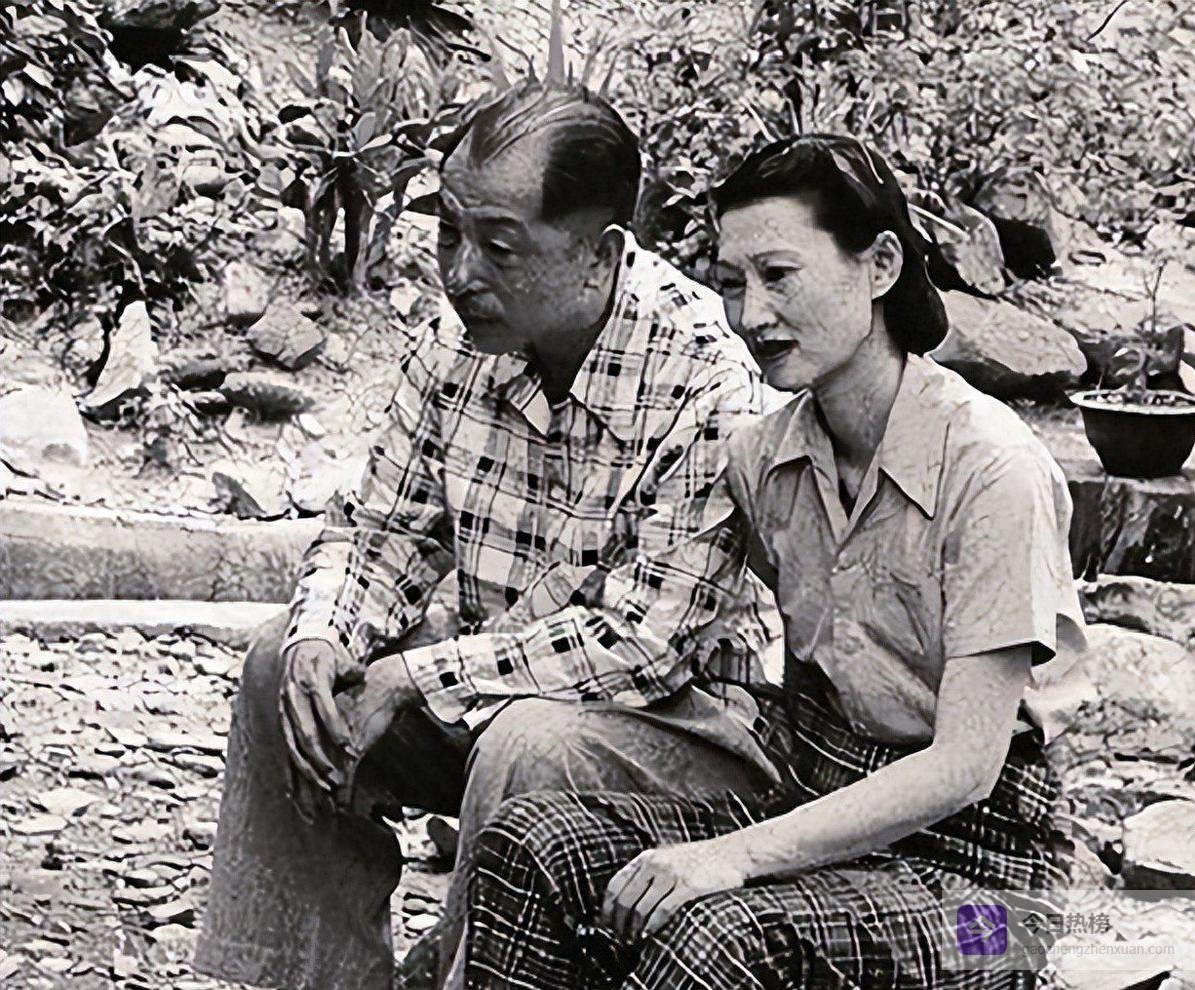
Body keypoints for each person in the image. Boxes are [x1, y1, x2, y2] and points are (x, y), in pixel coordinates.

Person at [193, 80, 782, 990]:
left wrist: (414, 676)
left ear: (600, 255)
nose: (461, 272)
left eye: (499, 247)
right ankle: (308, 978)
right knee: (287, 666)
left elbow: (645, 647)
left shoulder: (708, 383)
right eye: (447, 233)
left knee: (530, 742)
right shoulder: (454, 342)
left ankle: (470, 975)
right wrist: (326, 637)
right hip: (493, 692)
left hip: (681, 737)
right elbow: (379, 529)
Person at [463, 134, 1090, 989]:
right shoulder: (764, 459)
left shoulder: (992, 469)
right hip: (819, 810)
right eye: (732, 283)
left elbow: (964, 768)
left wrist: (734, 856)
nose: (752, 315)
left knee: (713, 931)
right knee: (531, 845)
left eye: (779, 275)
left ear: (880, 266)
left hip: (988, 888)